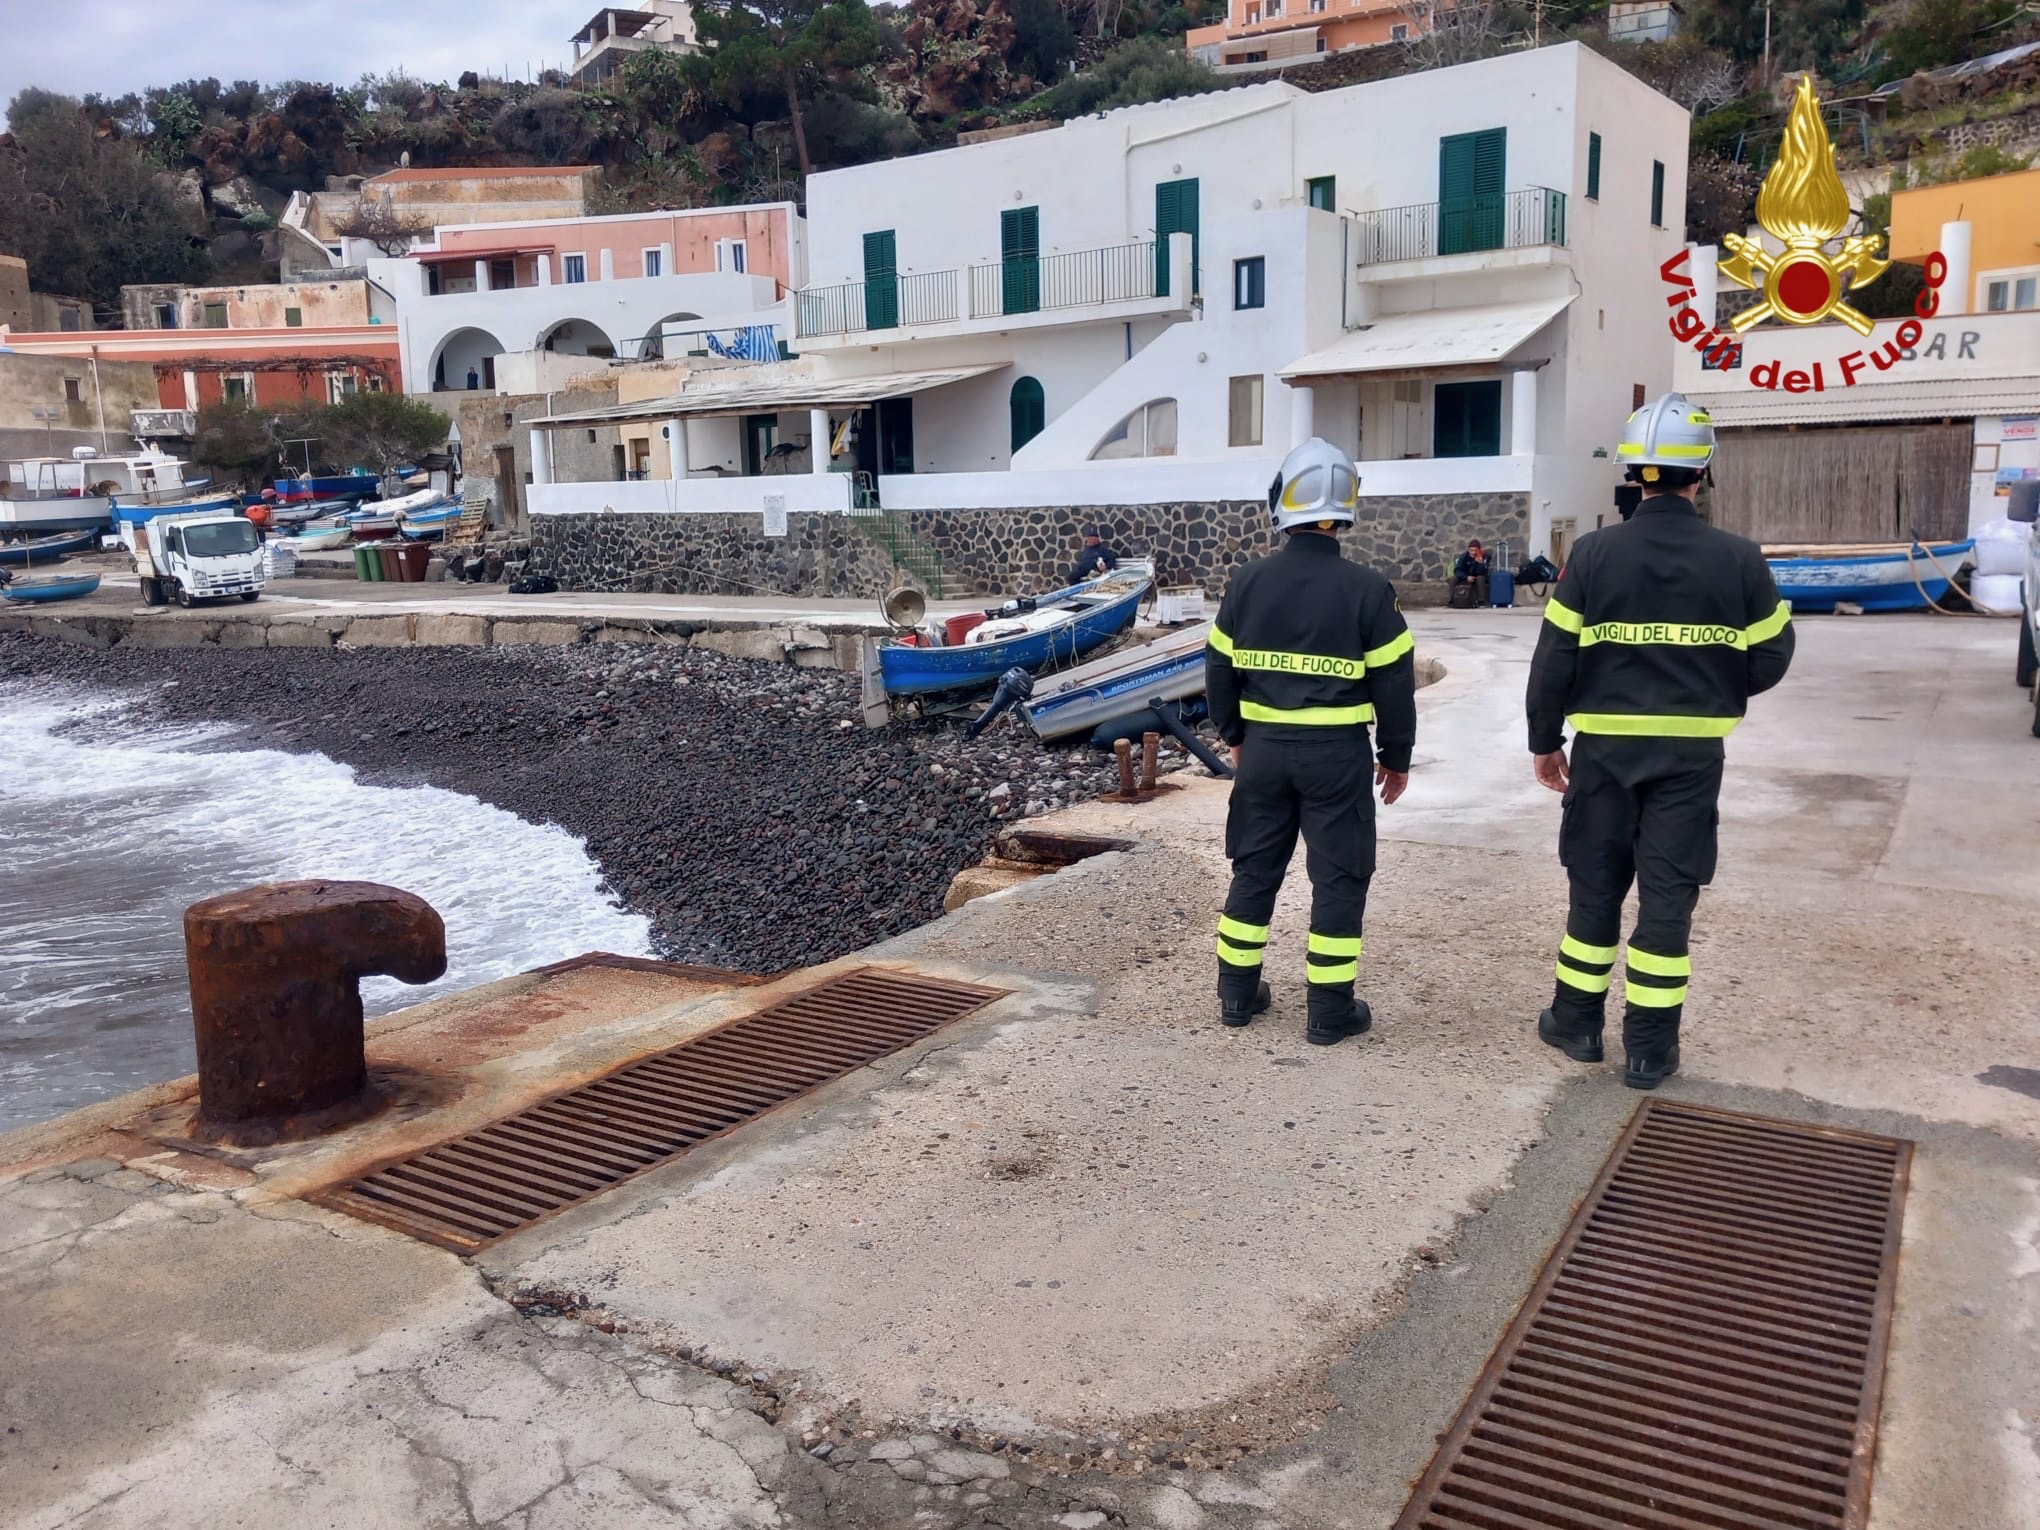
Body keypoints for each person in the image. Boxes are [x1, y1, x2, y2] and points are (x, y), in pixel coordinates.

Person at [1526, 392, 1794, 1089]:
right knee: (1668, 898)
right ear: (1700, 472)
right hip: (1690, 760)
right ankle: (1648, 1049)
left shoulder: (1591, 554)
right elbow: (1770, 656)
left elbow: (1554, 657)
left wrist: (1545, 739)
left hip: (1605, 755)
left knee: (1595, 886)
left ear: (1634, 474)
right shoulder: (1739, 559)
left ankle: (1577, 1024)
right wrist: (1709, 694)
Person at [1207, 438, 1417, 1046]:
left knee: (1254, 869)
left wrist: (1235, 736)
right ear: (1347, 506)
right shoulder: (1369, 590)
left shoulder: (1245, 582)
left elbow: (1217, 669)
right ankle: (1328, 1012)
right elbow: (1395, 686)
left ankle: (1237, 996)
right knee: (1339, 879)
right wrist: (1396, 757)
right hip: (1337, 758)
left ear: (1283, 501)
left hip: (1265, 753)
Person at [1452, 539, 1491, 607]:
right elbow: (1457, 570)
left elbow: (1483, 572)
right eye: (1471, 550)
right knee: (1453, 578)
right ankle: (1452, 601)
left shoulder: (1485, 556)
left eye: (1475, 550)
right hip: (1466, 576)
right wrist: (1466, 577)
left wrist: (1480, 563)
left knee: (1480, 577)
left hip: (1477, 577)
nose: (1473, 552)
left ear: (1479, 550)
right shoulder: (1464, 556)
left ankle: (1481, 601)